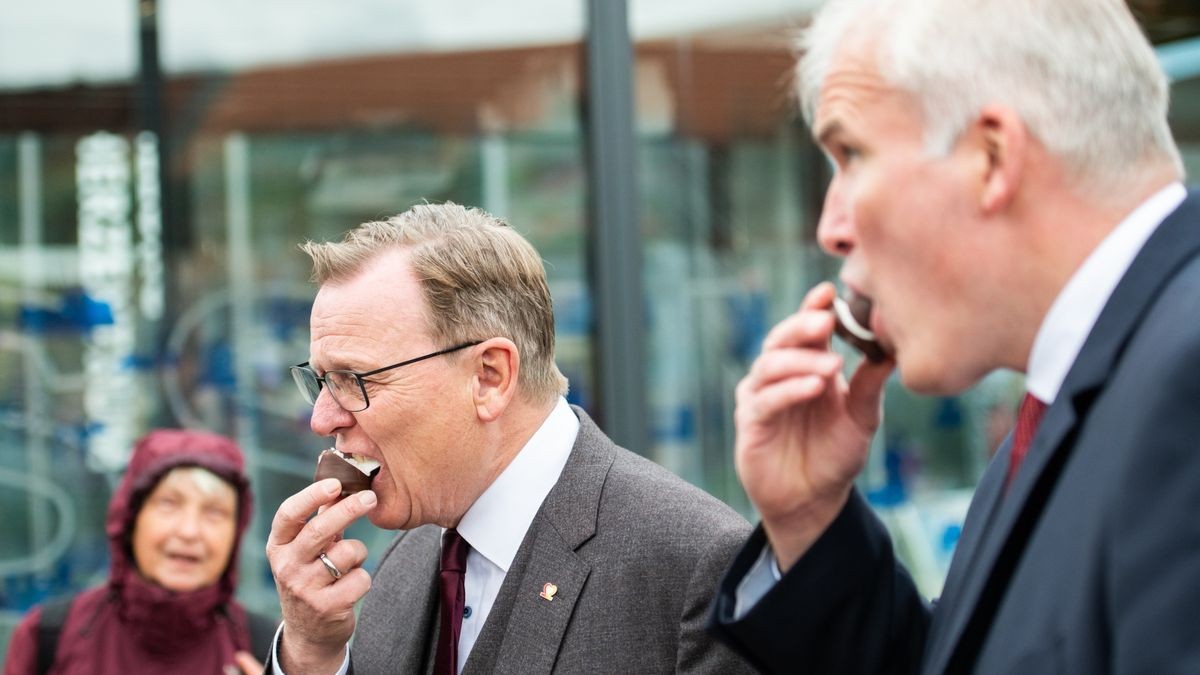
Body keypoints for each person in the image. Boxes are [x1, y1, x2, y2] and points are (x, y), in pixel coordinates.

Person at [706, 0, 1200, 672]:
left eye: (851, 153)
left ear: (992, 156)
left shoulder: (1181, 384)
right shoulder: (1067, 406)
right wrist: (811, 518)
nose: (831, 227)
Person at [265, 203, 753, 674]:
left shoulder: (695, 565)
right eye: (321, 381)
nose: (322, 419)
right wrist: (311, 656)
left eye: (354, 378)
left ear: (489, 377)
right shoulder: (409, 558)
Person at [3, 429, 274, 675]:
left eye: (215, 512)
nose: (189, 531)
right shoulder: (48, 636)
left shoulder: (268, 650)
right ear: (130, 519)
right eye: (169, 503)